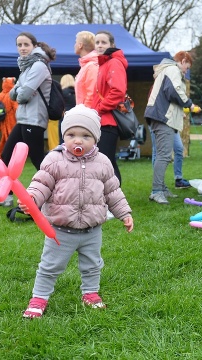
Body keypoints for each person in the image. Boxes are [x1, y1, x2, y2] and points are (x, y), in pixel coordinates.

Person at [19, 105, 134, 319]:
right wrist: (32, 199)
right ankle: (39, 298)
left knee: (92, 265)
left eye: (85, 135)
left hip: (92, 230)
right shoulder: (55, 160)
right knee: (49, 266)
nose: (77, 140)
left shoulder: (103, 163)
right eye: (71, 135)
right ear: (64, 136)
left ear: (96, 138)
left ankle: (90, 293)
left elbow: (113, 191)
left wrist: (124, 213)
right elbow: (41, 184)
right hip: (60, 231)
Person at [0, 32, 55, 207]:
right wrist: (21, 91)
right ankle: (6, 196)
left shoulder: (39, 65)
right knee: (6, 155)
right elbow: (12, 93)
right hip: (24, 119)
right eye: (19, 45)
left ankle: (57, 194)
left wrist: (21, 91)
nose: (22, 48)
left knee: (38, 159)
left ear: (34, 46)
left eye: (26, 44)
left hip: (35, 119)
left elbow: (22, 95)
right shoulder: (26, 67)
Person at [145, 51, 197, 204]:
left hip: (159, 116)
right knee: (164, 156)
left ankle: (161, 187)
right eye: (186, 68)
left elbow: (167, 95)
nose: (185, 71)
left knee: (163, 155)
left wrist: (179, 112)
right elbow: (174, 91)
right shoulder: (173, 69)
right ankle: (156, 191)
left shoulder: (166, 69)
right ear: (183, 60)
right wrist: (189, 104)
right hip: (162, 118)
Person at [91, 30, 127, 184]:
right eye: (97, 42)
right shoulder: (105, 64)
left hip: (108, 122)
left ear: (112, 45)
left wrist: (98, 109)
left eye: (103, 42)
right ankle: (115, 200)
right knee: (108, 163)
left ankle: (114, 201)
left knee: (105, 165)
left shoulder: (113, 63)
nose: (99, 45)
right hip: (102, 120)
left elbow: (118, 92)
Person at [0, 77, 18, 158]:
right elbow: (16, 108)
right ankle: (11, 155)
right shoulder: (12, 95)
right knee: (12, 139)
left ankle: (0, 155)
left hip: (3, 120)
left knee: (4, 138)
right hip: (12, 120)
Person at [74, 31, 98, 108]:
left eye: (76, 42)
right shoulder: (86, 65)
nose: (74, 45)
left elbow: (92, 94)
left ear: (80, 45)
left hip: (87, 113)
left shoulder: (91, 66)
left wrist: (85, 113)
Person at [59, 74, 77, 144]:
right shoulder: (77, 92)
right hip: (76, 116)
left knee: (63, 138)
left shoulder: (62, 92)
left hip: (65, 117)